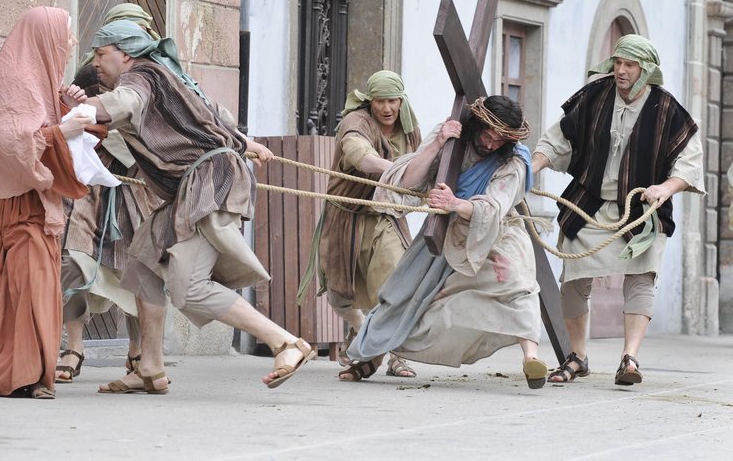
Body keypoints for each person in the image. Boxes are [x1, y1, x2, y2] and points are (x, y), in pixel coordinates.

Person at [60, 20, 315, 394]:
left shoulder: (141, 76)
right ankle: (150, 366)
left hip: (207, 184)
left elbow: (126, 102)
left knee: (190, 287)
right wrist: (246, 144)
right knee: (143, 263)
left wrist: (83, 110)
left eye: (102, 54)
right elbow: (210, 115)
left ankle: (286, 343)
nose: (96, 62)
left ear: (125, 54)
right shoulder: (168, 73)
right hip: (196, 184)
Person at [341, 95, 549, 390]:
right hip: (443, 231)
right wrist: (438, 143)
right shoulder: (451, 137)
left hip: (495, 234)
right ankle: (368, 356)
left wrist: (456, 204)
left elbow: (494, 206)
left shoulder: (514, 163)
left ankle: (531, 358)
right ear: (477, 125)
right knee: (402, 294)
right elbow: (407, 181)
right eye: (487, 136)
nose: (490, 145)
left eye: (499, 140)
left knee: (520, 285)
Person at [532, 34, 704, 386]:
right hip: (590, 204)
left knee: (641, 278)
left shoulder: (667, 109)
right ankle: (577, 356)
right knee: (574, 279)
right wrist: (528, 169)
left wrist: (665, 188)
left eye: (629, 65)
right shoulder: (594, 95)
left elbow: (689, 162)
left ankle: (630, 358)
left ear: (646, 70)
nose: (621, 71)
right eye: (618, 63)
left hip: (640, 210)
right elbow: (558, 139)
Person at [0, 6, 91, 398]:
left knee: (32, 282)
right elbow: (11, 140)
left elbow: (34, 127)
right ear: (44, 37)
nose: (71, 42)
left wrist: (65, 103)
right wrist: (62, 129)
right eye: (65, 34)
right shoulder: (14, 77)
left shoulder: (38, 77)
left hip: (24, 202)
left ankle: (26, 372)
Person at [56, 4, 163, 383]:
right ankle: (74, 346)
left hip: (137, 184)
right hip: (91, 181)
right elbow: (75, 120)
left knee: (134, 266)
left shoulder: (155, 73)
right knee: (74, 259)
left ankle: (137, 351)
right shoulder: (91, 72)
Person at [304, 70, 421, 377]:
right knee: (340, 293)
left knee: (394, 282)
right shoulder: (355, 123)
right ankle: (360, 329)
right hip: (348, 215)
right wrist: (399, 170)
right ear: (370, 101)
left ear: (401, 101)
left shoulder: (409, 128)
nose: (387, 108)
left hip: (386, 214)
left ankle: (397, 356)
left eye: (393, 101)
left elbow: (423, 162)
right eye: (381, 101)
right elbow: (363, 158)